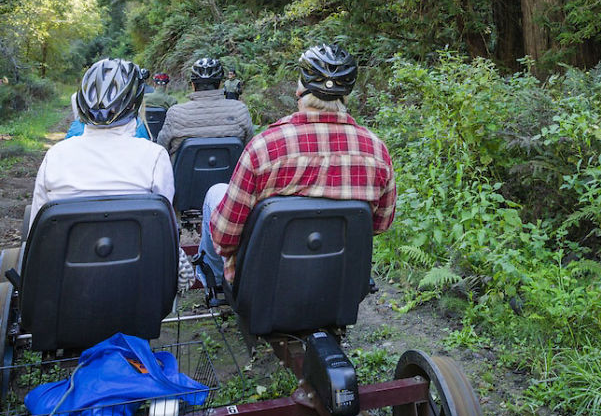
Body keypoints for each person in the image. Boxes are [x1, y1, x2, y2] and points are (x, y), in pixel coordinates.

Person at [197, 43, 396, 287]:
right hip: (337, 279)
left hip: (264, 282)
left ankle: (217, 285)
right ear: (347, 95)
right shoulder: (376, 151)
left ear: (301, 89)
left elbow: (225, 235)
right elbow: (379, 224)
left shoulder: (264, 148)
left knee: (215, 193)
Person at [31, 58, 194, 292]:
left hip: (67, 288)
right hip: (136, 285)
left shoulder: (56, 155)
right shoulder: (154, 157)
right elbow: (164, 229)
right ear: (136, 101)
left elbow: (37, 233)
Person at [157, 57, 254, 159]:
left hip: (184, 175)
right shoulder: (240, 110)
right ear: (221, 84)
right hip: (232, 175)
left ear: (193, 85)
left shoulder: (175, 113)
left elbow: (161, 149)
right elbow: (250, 149)